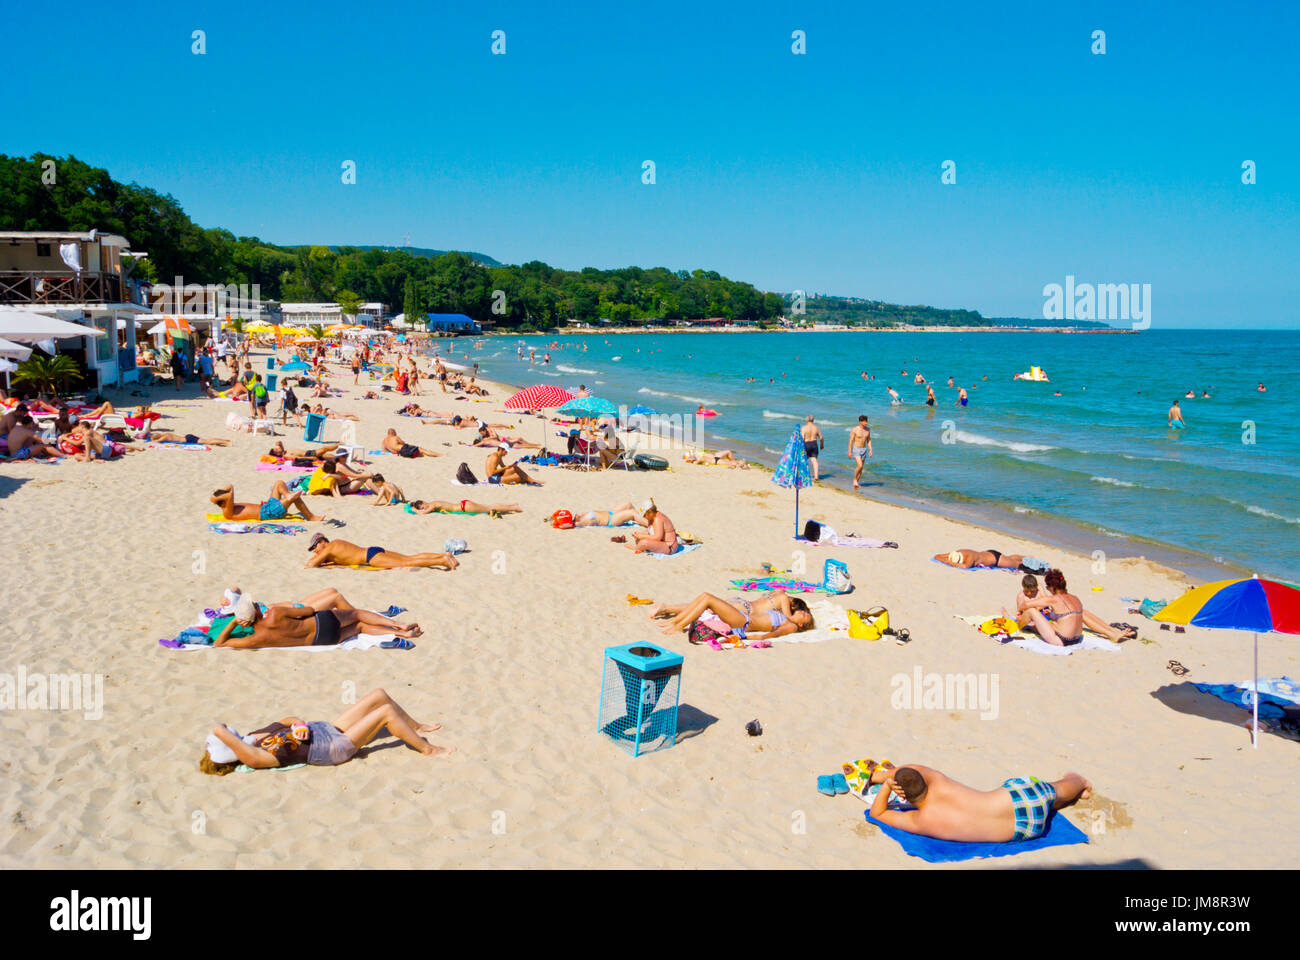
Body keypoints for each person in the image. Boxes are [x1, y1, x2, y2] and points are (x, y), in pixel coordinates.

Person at [200, 688, 452, 775]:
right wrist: (221, 735)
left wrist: (298, 724)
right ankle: (428, 749)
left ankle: (415, 726)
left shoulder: (252, 737)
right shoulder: (254, 757)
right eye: (230, 738)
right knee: (385, 712)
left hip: (325, 729)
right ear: (231, 748)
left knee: (378, 695)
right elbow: (217, 727)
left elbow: (287, 719)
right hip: (331, 748)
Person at [864, 761, 1091, 843]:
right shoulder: (939, 781)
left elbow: (878, 814)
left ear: (902, 795)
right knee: (1056, 789)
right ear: (924, 780)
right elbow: (916, 768)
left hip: (1026, 829)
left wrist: (883, 786)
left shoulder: (922, 819)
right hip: (1021, 799)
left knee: (1046, 807)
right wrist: (882, 776)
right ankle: (1079, 782)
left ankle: (1062, 798)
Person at [209, 594, 421, 648]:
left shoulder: (257, 639)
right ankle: (400, 627)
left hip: (323, 640)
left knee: (359, 628)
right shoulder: (274, 613)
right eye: (255, 604)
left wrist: (234, 623)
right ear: (256, 610)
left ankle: (402, 635)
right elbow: (308, 610)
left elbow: (219, 643)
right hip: (321, 622)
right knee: (356, 614)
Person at [1014, 568, 1135, 645]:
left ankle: (1018, 628)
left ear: (1052, 588)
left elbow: (1026, 605)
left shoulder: (1053, 599)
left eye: (1047, 587)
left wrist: (1020, 613)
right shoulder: (1075, 598)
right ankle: (1112, 632)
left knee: (1031, 611)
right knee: (1081, 612)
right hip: (1078, 638)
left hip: (1063, 640)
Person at [650, 590, 815, 641]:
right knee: (704, 598)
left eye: (805, 615)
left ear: (801, 625)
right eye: (803, 610)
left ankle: (678, 624)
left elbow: (770, 635)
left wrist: (743, 638)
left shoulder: (790, 625)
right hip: (742, 616)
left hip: (743, 621)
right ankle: (677, 622)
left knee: (707, 599)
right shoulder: (785, 615)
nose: (803, 612)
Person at [305, 534, 458, 570]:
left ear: (321, 542)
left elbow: (311, 565)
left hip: (369, 557)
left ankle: (442, 561)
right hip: (372, 550)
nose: (315, 551)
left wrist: (317, 558)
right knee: (409, 557)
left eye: (314, 548)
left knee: (407, 562)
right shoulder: (337, 543)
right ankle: (443, 555)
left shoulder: (329, 547)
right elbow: (340, 559)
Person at [211, 481, 325, 522]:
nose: (231, 498)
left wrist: (219, 494)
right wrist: (213, 498)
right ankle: (311, 517)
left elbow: (230, 486)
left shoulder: (229, 505)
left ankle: (287, 496)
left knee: (279, 483)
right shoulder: (227, 512)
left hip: (267, 507)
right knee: (296, 498)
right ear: (223, 500)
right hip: (268, 513)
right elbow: (230, 493)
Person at [551, 502, 647, 528]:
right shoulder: (581, 522)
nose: (575, 514)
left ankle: (642, 520)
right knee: (632, 513)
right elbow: (566, 524)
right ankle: (649, 525)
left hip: (610, 512)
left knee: (628, 504)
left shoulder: (581, 516)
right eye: (573, 516)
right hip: (611, 520)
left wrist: (551, 518)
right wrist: (557, 523)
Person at [412, 498, 523, 516]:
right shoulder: (434, 502)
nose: (424, 508)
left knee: (489, 509)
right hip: (464, 503)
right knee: (488, 506)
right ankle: (512, 505)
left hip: (464, 508)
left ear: (423, 502)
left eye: (422, 506)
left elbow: (423, 513)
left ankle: (513, 508)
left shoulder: (432, 505)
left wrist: (414, 510)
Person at [932, 548, 1024, 570]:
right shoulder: (960, 551)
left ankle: (1026, 560)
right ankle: (1022, 557)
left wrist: (949, 562)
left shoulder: (970, 558)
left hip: (996, 560)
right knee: (1009, 558)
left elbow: (965, 567)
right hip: (989, 554)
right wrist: (946, 559)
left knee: (1019, 565)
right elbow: (937, 556)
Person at [847, 415, 873, 490]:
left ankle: (856, 483)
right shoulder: (855, 429)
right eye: (864, 421)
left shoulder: (868, 430)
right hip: (856, 449)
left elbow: (869, 440)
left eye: (866, 421)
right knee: (860, 465)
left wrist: (871, 449)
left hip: (864, 450)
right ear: (860, 422)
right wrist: (849, 452)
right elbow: (851, 441)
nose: (866, 423)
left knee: (861, 468)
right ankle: (854, 479)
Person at [800, 415, 824, 480]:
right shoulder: (816, 428)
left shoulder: (804, 428)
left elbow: (802, 438)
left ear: (807, 420)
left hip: (806, 444)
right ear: (813, 420)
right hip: (814, 444)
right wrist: (822, 445)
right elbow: (821, 437)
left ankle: (804, 475)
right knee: (814, 461)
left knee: (803, 460)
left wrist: (801, 447)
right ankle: (816, 476)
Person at [268, 440, 341, 460]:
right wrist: (310, 458)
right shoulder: (286, 455)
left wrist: (279, 443)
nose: (278, 448)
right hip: (308, 454)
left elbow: (280, 444)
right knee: (325, 449)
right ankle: (339, 444)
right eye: (277, 449)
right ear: (277, 453)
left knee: (328, 456)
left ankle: (340, 457)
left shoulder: (284, 451)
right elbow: (298, 458)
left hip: (309, 452)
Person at [682, 448, 749, 468]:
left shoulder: (696, 455)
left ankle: (743, 464)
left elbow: (692, 453)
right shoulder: (697, 459)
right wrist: (690, 460)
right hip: (716, 461)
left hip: (715, 457)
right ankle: (743, 464)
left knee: (729, 454)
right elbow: (696, 462)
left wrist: (690, 457)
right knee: (733, 464)